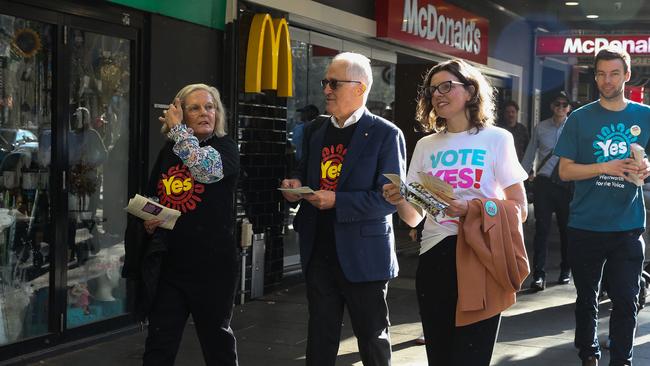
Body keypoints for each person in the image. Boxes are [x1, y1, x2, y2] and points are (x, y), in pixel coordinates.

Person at [382, 59, 529, 366]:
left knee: (471, 357)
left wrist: (471, 209)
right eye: (433, 89)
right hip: (435, 257)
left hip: (480, 256)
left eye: (447, 86)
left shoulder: (497, 139)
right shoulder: (425, 145)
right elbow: (414, 218)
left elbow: (519, 208)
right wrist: (399, 199)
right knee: (440, 356)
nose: (438, 94)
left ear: (471, 91)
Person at [280, 52, 406, 366]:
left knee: (372, 337)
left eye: (333, 83)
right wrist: (295, 184)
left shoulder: (386, 134)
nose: (326, 90)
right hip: (319, 248)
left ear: (360, 88)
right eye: (325, 82)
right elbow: (301, 169)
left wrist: (338, 201)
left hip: (364, 255)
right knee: (320, 336)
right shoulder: (314, 130)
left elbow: (389, 198)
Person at [123, 83, 240, 366]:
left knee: (217, 345)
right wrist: (149, 218)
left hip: (212, 268)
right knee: (159, 346)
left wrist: (179, 133)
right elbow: (154, 194)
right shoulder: (169, 153)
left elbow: (204, 170)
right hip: (171, 266)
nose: (205, 113)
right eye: (195, 108)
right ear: (181, 113)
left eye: (210, 107)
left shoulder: (224, 148)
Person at [555, 46, 650, 366]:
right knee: (587, 298)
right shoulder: (579, 118)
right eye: (600, 74)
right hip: (585, 224)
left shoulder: (645, 115)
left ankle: (622, 359)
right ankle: (589, 352)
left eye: (613, 73)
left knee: (627, 299)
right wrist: (604, 167)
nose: (606, 80)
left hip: (628, 224)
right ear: (594, 76)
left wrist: (646, 168)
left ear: (627, 75)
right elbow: (565, 170)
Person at [521, 91, 573, 290]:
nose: (560, 107)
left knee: (566, 230)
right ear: (552, 106)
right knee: (541, 230)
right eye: (557, 104)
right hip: (544, 184)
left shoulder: (574, 127)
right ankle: (538, 275)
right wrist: (519, 180)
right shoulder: (541, 127)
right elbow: (529, 154)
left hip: (566, 184)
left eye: (564, 104)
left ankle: (565, 270)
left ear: (569, 108)